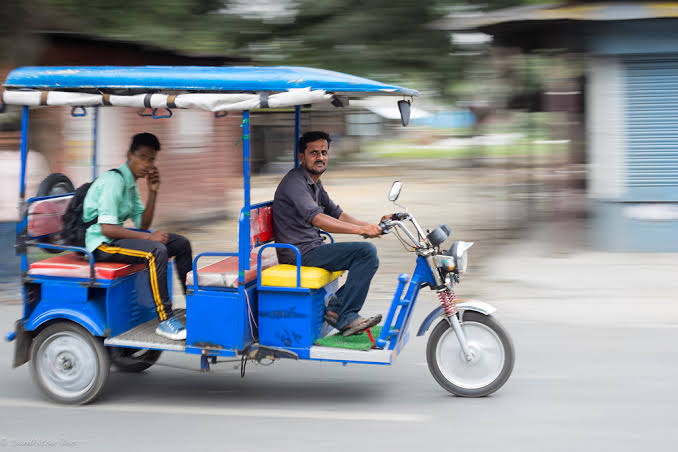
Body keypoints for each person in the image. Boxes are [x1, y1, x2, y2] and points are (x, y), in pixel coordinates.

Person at [273, 131, 386, 336]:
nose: (320, 158)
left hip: (311, 248)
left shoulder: (313, 182)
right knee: (365, 253)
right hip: (298, 254)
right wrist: (360, 230)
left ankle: (336, 310)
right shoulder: (295, 183)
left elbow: (336, 213)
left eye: (324, 152)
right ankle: (345, 314)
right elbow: (318, 219)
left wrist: (369, 226)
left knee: (367, 255)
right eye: (314, 153)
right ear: (301, 157)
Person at [83, 132, 192, 340]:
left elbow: (142, 224)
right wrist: (148, 238)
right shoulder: (114, 181)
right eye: (142, 157)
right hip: (101, 244)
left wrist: (153, 192)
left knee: (181, 244)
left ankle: (193, 305)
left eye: (151, 159)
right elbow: (107, 228)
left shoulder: (131, 185)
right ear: (129, 154)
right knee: (156, 251)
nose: (146, 164)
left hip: (115, 239)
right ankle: (166, 320)